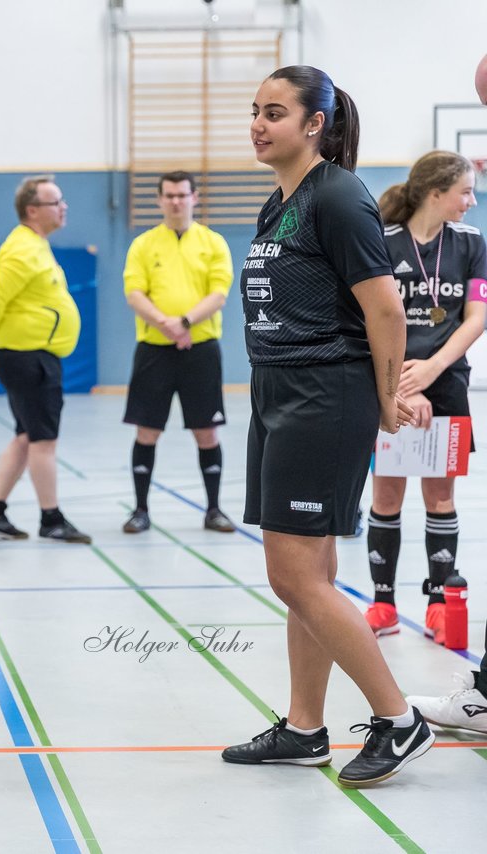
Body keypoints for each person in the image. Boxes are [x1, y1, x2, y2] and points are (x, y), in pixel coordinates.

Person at [221, 65, 434, 788]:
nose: (258, 123)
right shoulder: (278, 202)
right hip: (279, 391)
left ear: (315, 124)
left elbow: (384, 310)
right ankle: (305, 728)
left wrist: (382, 399)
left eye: (274, 112)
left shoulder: (339, 196)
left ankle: (399, 721)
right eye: (254, 110)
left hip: (324, 394)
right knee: (307, 575)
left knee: (292, 575)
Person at [360, 151, 484, 643]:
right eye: (466, 191)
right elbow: (370, 320)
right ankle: (383, 604)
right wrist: (395, 386)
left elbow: (476, 316)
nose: (472, 201)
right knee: (387, 494)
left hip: (447, 382)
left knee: (440, 496)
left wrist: (432, 369)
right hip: (391, 383)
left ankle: (437, 602)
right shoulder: (385, 243)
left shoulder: (471, 243)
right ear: (437, 193)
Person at [0, 175, 90, 543]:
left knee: (26, 436)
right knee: (43, 441)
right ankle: (51, 519)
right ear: (33, 210)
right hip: (27, 357)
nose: (63, 206)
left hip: (32, 354)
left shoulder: (35, 245)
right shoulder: (23, 249)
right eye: (56, 202)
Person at [120, 170, 235, 534]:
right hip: (154, 350)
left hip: (200, 350)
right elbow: (135, 293)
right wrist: (167, 327)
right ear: (159, 200)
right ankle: (140, 510)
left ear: (194, 197)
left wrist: (183, 323)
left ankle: (214, 509)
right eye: (168, 195)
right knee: (147, 430)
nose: (175, 201)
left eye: (182, 195)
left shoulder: (213, 242)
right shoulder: (143, 244)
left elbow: (219, 293)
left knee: (207, 431)